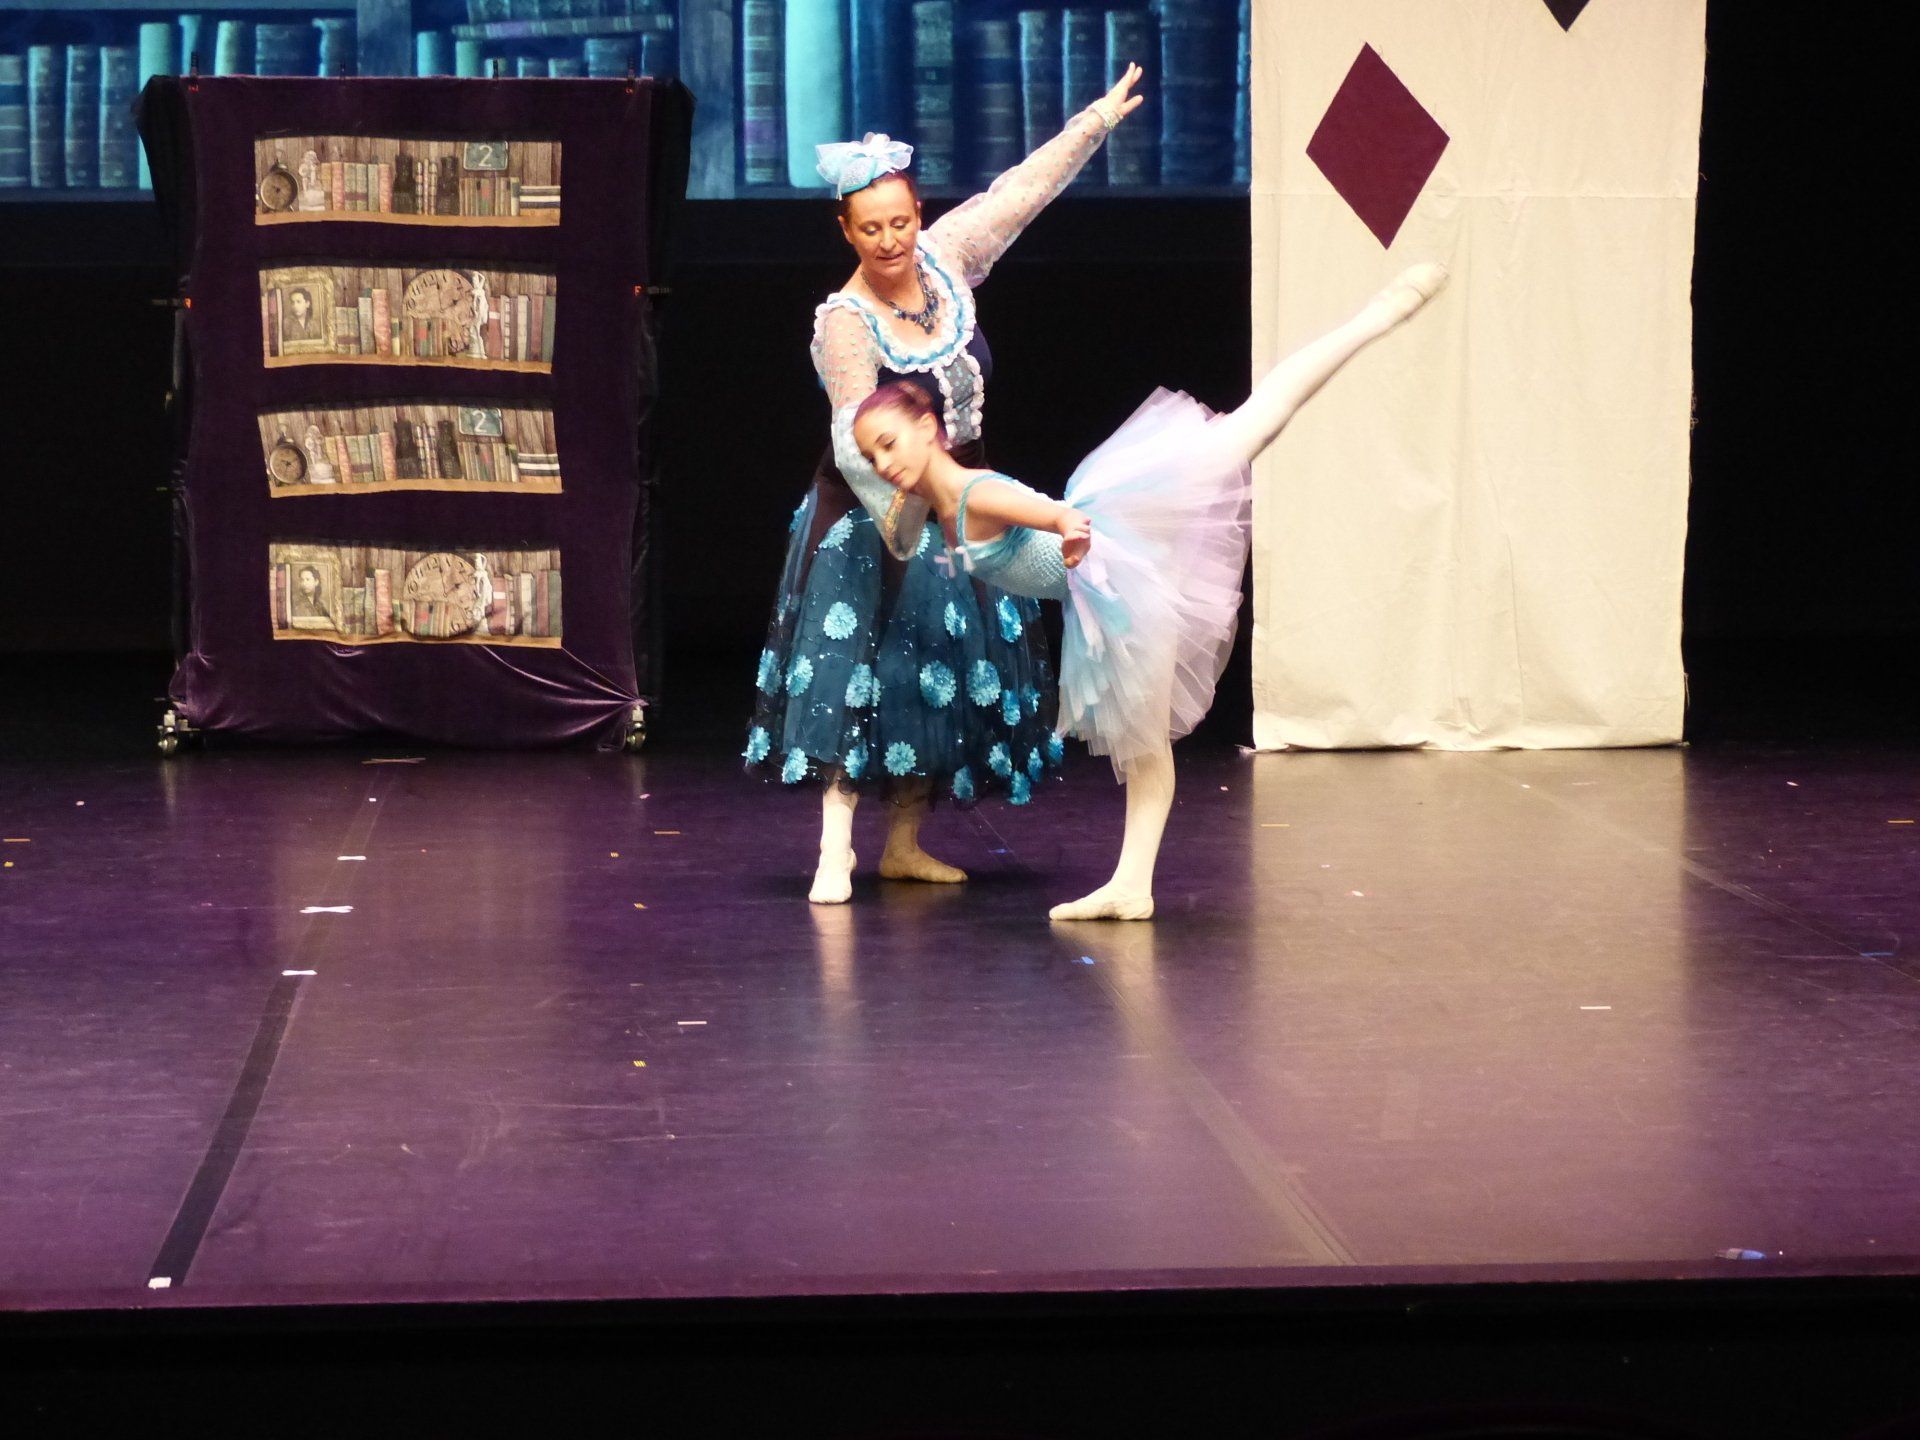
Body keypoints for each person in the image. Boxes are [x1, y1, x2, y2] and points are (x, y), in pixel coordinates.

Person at [850, 263, 1450, 920]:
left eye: (888, 445)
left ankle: (1380, 314)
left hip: (1119, 561)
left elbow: (1054, 514)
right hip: (1117, 574)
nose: (884, 464)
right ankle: (1132, 885)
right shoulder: (943, 502)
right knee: (1145, 747)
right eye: (873, 457)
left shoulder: (973, 494)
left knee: (1253, 424)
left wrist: (1071, 535)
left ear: (929, 430)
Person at [746, 65, 1149, 906]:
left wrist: (1094, 124)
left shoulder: (948, 258)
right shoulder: (844, 322)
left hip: (960, 492)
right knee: (857, 665)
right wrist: (908, 512)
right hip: (875, 507)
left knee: (940, 668)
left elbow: (1019, 193)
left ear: (917, 216)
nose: (890, 240)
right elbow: (857, 437)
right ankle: (834, 847)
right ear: (846, 231)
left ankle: (903, 842)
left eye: (900, 221)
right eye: (871, 229)